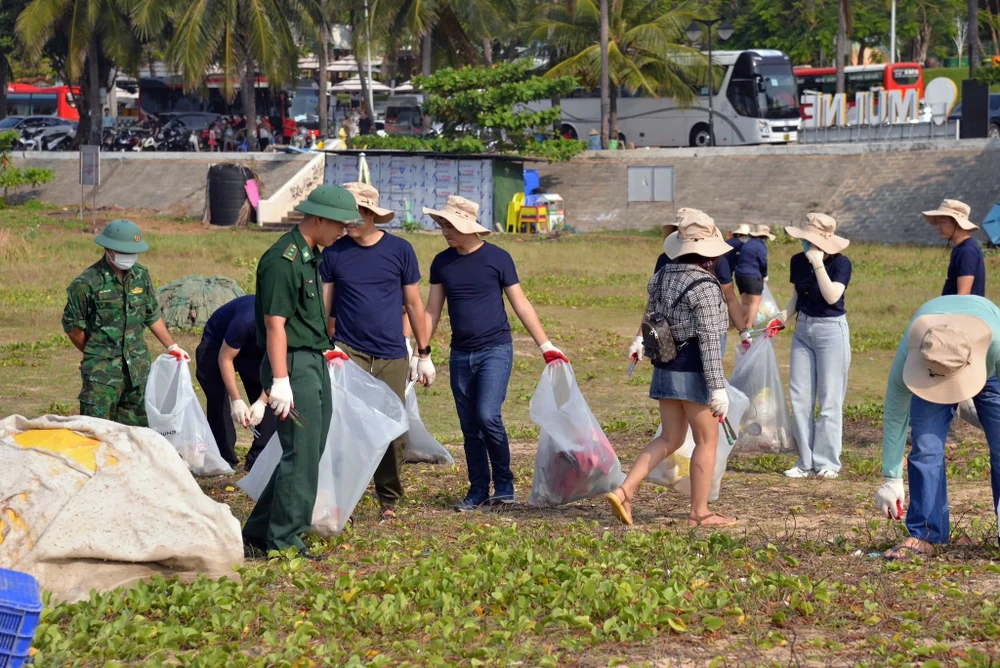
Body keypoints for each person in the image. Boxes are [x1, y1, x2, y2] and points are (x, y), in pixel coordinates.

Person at [424, 196, 569, 510]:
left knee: (488, 416)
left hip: (495, 349)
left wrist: (545, 345)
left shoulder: (498, 258)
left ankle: (504, 484)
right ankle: (478, 489)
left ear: (468, 226)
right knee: (469, 426)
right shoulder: (442, 262)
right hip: (460, 355)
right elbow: (431, 311)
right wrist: (420, 352)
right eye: (442, 225)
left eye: (450, 226)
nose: (444, 231)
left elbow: (521, 304)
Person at [241, 184, 359, 559]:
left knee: (309, 450)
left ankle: (260, 531)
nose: (343, 231)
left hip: (311, 359)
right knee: (301, 454)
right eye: (340, 224)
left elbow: (303, 318)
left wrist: (324, 347)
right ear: (319, 218)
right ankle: (285, 540)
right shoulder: (284, 259)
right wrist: (280, 381)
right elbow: (275, 324)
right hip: (291, 364)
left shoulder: (310, 256)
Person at [611, 208, 736, 528]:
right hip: (694, 371)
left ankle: (625, 490)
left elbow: (651, 317)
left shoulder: (662, 276)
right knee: (707, 441)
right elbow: (710, 340)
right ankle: (700, 512)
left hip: (665, 366)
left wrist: (640, 340)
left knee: (670, 437)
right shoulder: (706, 286)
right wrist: (717, 386)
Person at [320, 182, 435, 521]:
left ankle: (389, 499)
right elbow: (324, 306)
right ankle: (342, 496)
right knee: (344, 425)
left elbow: (414, 304)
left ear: (371, 215)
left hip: (390, 352)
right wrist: (324, 345)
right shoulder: (334, 253)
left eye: (354, 214)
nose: (347, 222)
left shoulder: (400, 250)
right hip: (347, 351)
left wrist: (423, 352)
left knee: (393, 428)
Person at [876, 295, 1000, 559]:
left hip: (987, 367)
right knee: (926, 447)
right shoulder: (914, 352)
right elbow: (895, 416)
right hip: (930, 370)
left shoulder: (996, 344)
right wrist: (891, 478)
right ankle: (926, 534)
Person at [62, 220, 189, 426]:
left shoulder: (141, 275)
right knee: (97, 431)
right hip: (102, 378)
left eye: (133, 252)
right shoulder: (86, 283)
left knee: (137, 433)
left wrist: (172, 346)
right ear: (108, 249)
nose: (129, 257)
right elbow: (73, 327)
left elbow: (151, 314)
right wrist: (94, 354)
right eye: (124, 252)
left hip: (137, 372)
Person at [778, 214, 853, 479]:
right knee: (800, 398)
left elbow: (832, 296)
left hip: (831, 330)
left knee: (830, 399)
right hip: (803, 329)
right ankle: (805, 461)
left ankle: (828, 462)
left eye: (809, 240)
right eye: (803, 239)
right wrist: (780, 318)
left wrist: (819, 264)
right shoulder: (797, 261)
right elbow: (796, 298)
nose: (805, 244)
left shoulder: (841, 263)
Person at [195, 295, 275, 471]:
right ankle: (223, 459)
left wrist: (262, 401)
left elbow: (277, 369)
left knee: (273, 399)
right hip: (216, 343)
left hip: (253, 348)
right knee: (217, 399)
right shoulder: (245, 321)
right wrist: (237, 400)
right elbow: (225, 358)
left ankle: (257, 460)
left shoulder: (286, 329)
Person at [923, 199, 985, 297]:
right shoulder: (960, 249)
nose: (938, 227)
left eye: (942, 222)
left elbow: (962, 295)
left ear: (956, 223)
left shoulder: (967, 251)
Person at [734, 224, 774, 331]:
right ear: (765, 237)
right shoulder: (761, 246)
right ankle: (749, 326)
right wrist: (765, 275)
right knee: (755, 302)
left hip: (739, 275)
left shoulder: (747, 244)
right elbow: (763, 262)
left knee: (745, 302)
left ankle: (739, 324)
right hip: (752, 276)